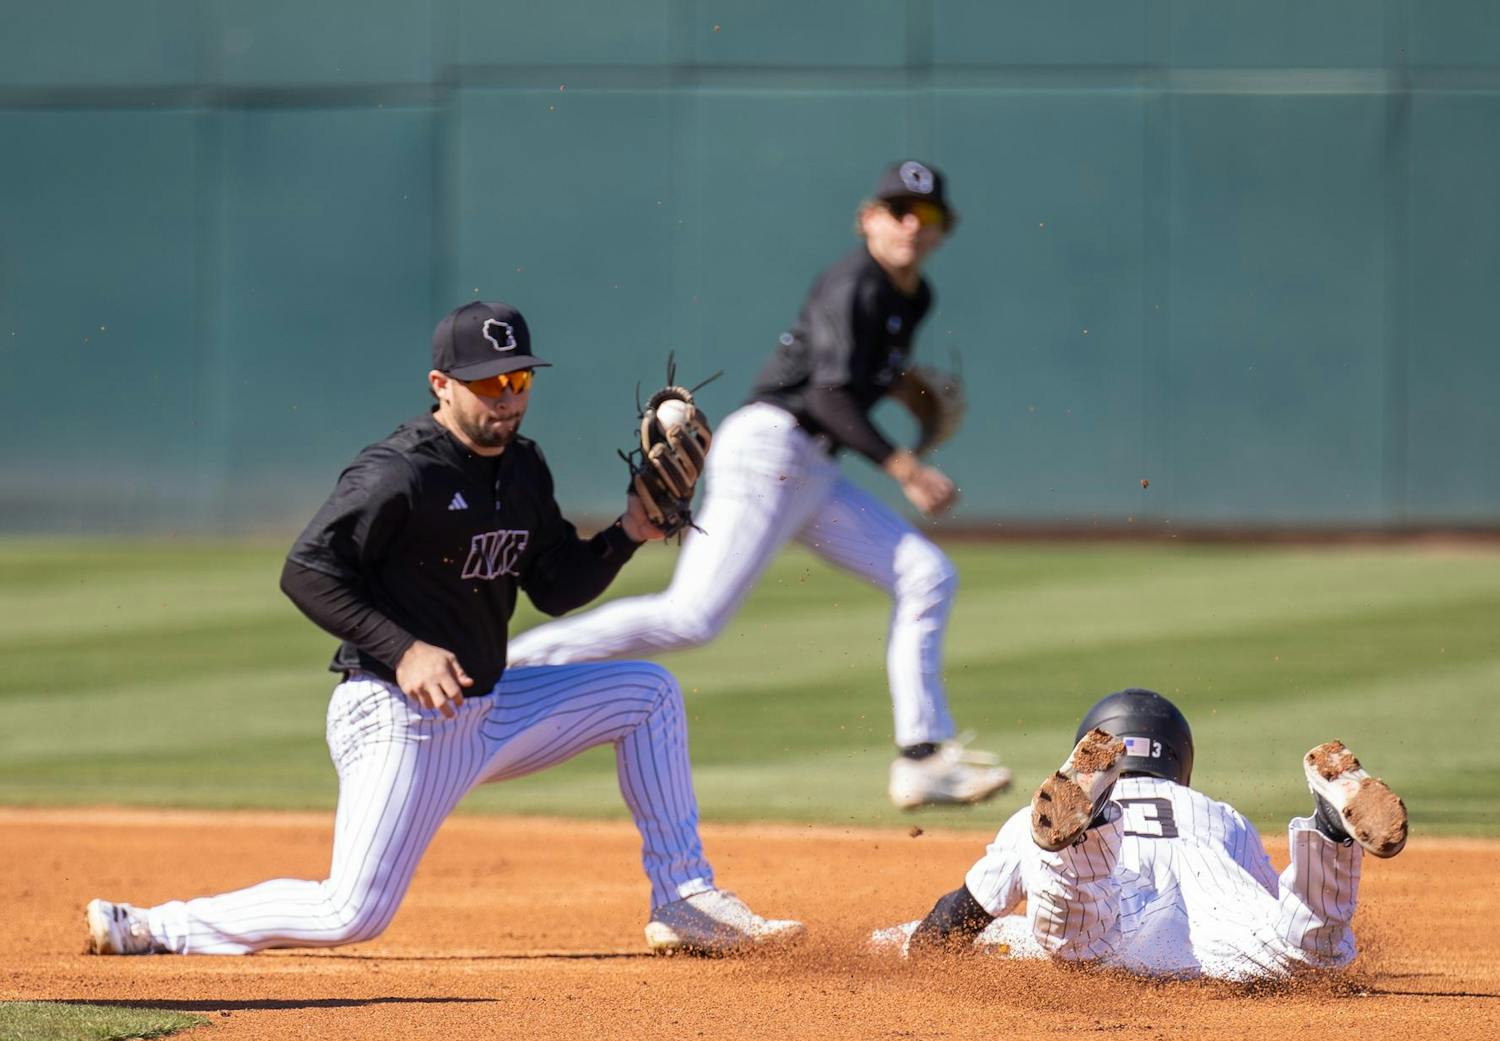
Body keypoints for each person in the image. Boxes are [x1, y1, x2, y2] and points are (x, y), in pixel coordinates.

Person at [84, 299, 804, 958]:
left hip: (490, 708)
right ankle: (154, 925)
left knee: (648, 694)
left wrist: (628, 531)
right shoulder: (397, 474)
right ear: (441, 384)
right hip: (395, 714)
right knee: (350, 912)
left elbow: (553, 587)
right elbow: (306, 569)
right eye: (490, 384)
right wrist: (402, 650)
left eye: (518, 380)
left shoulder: (522, 468)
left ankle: (683, 898)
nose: (507, 398)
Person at [508, 160, 1011, 811]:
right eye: (898, 210)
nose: (913, 224)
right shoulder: (853, 281)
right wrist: (906, 468)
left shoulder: (913, 297)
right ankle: (509, 668)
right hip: (771, 449)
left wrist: (897, 383)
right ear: (868, 218)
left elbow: (857, 373)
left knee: (928, 575)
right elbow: (828, 393)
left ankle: (921, 756)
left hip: (811, 468)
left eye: (929, 215)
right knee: (690, 617)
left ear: (944, 230)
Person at [871, 689, 1409, 982]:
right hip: (1220, 936)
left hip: (1117, 933)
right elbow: (1270, 902)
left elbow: (954, 919)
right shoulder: (1219, 813)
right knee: (1306, 952)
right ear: (1180, 759)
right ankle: (1329, 832)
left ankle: (1088, 837)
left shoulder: (1028, 820)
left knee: (1078, 943)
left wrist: (927, 952)